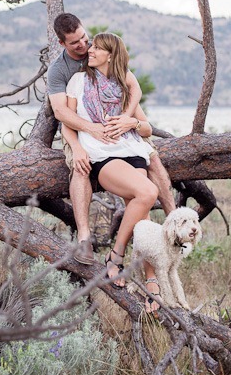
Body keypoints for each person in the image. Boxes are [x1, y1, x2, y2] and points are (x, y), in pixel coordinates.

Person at [47, 14, 176, 265]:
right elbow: (63, 114)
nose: (84, 46)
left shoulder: (102, 49)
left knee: (153, 161)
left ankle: (172, 223)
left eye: (86, 38)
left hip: (124, 132)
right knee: (80, 167)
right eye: (76, 44)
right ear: (63, 44)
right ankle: (85, 239)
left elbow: (133, 87)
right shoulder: (61, 71)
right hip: (79, 128)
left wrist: (128, 120)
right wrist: (84, 139)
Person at [63, 32, 162, 311]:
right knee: (147, 192)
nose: (90, 51)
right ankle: (117, 257)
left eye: (96, 48)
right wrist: (78, 149)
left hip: (134, 152)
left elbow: (147, 128)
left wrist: (130, 122)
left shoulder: (124, 83)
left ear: (110, 54)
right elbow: (67, 124)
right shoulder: (79, 81)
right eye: (91, 46)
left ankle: (149, 276)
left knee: (141, 215)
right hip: (103, 156)